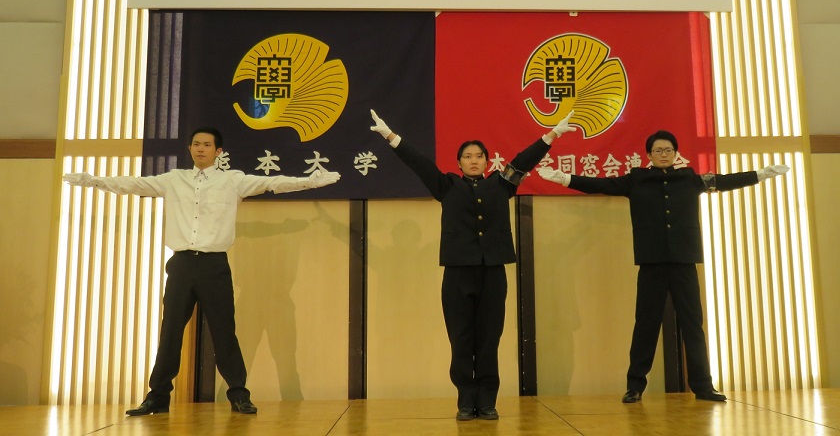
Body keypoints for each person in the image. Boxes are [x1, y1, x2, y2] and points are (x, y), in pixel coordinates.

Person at [62, 127, 341, 416]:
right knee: (170, 332)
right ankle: (158, 396)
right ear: (190, 148)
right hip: (181, 265)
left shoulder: (232, 180)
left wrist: (311, 182)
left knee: (224, 332)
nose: (200, 149)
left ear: (218, 152)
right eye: (196, 144)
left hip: (214, 265)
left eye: (207, 145)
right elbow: (133, 184)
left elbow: (272, 183)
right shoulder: (174, 179)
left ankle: (239, 394)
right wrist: (93, 181)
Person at [537, 129, 788, 404]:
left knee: (693, 324)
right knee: (646, 324)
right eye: (658, 150)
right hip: (652, 263)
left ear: (676, 153)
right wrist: (565, 179)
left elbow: (724, 181)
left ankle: (704, 386)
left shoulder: (690, 179)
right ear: (649, 155)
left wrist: (760, 175)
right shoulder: (637, 180)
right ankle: (635, 386)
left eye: (668, 150)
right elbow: (601, 184)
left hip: (684, 262)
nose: (664, 154)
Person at [369, 109, 575, 421]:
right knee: (462, 340)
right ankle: (466, 401)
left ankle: (487, 401)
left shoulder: (501, 184)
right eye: (467, 156)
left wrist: (552, 134)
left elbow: (524, 160)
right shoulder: (447, 186)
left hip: (493, 272)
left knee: (489, 340)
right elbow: (419, 163)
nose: (474, 160)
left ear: (487, 161)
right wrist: (390, 135)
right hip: (457, 274)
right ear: (459, 163)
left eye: (479, 156)